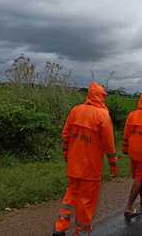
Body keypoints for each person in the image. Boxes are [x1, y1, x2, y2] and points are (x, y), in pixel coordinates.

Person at [53, 82, 118, 236]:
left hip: (73, 165)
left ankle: (60, 227)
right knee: (86, 202)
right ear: (101, 96)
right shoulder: (103, 115)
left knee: (70, 196)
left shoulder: (76, 110)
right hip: (90, 168)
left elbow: (66, 134)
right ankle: (81, 232)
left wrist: (65, 153)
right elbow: (109, 144)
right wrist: (113, 163)